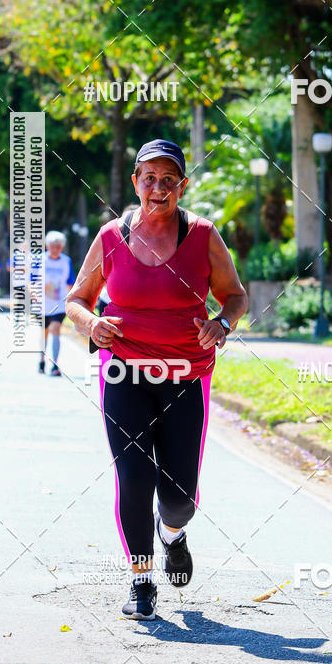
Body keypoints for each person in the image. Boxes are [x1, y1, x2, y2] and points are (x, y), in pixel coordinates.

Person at [66, 139, 248, 621]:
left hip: (185, 375)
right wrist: (91, 324)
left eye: (169, 180)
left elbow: (234, 295)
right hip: (124, 370)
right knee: (134, 476)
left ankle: (173, 534)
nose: (159, 188)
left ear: (182, 186)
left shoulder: (203, 235)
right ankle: (141, 581)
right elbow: (77, 299)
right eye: (150, 178)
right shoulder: (111, 237)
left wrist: (222, 324)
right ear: (136, 183)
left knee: (179, 494)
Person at [40, 231, 76, 376]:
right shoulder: (40, 260)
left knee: (55, 329)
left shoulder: (66, 261)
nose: (55, 249)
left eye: (58, 247)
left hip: (59, 303)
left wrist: (70, 298)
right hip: (43, 303)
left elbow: (70, 282)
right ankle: (41, 360)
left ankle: (54, 364)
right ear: (47, 246)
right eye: (53, 246)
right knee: (44, 332)